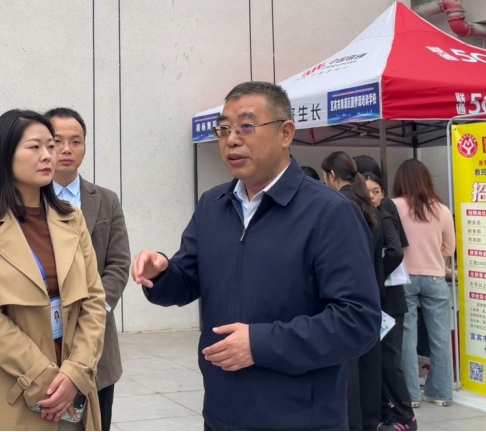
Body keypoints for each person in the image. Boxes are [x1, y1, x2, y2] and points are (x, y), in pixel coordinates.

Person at [132, 81, 380, 431]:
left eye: (246, 126)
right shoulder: (212, 205)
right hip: (223, 412)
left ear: (285, 133)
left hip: (299, 418)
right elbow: (186, 280)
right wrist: (160, 273)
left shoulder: (329, 212)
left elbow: (358, 321)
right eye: (224, 129)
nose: (231, 140)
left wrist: (261, 344)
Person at [0, 109, 107, 430]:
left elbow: (94, 301)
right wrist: (45, 378)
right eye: (35, 147)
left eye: (50, 146)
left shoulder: (71, 218)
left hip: (72, 385)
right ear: (5, 154)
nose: (48, 155)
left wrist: (76, 372)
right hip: (10, 387)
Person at [45, 107, 131, 431]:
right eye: (57, 141)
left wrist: (95, 310)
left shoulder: (105, 200)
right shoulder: (26, 201)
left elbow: (119, 263)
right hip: (45, 335)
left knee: (95, 422)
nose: (66, 149)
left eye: (75, 141)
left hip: (97, 340)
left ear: (84, 147)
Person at [322, 152, 402, 431]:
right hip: (372, 295)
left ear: (332, 175)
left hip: (345, 294)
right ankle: (370, 421)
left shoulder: (337, 205)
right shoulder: (369, 207)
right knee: (370, 362)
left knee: (349, 367)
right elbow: (388, 253)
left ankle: (354, 423)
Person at [393, 159, 455, 408]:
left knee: (407, 337)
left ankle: (411, 395)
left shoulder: (394, 206)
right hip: (435, 277)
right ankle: (440, 392)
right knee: (440, 336)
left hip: (404, 277)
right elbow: (449, 248)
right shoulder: (441, 209)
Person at [363, 171, 417, 431]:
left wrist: (377, 275)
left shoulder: (384, 217)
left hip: (391, 300)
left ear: (383, 193)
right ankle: (387, 411)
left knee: (389, 359)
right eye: (368, 191)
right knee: (381, 358)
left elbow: (395, 252)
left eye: (376, 191)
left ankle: (406, 415)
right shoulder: (371, 217)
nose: (372, 196)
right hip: (384, 299)